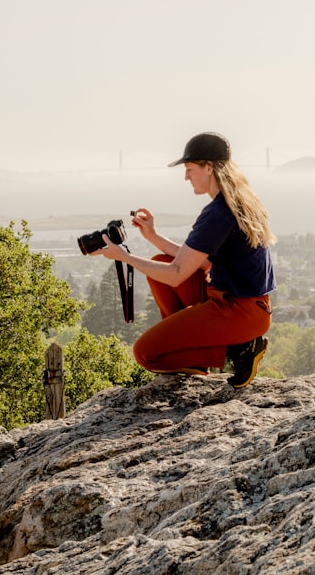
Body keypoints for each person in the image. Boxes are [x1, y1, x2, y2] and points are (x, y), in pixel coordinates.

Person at [91, 132, 275, 388]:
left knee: (146, 354)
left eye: (189, 169)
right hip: (247, 306)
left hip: (238, 312)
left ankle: (238, 350)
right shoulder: (234, 203)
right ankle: (193, 353)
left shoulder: (218, 214)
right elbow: (193, 260)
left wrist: (124, 257)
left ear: (209, 168)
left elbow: (177, 272)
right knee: (160, 258)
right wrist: (152, 236)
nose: (186, 176)